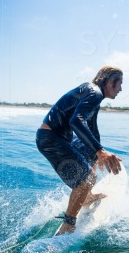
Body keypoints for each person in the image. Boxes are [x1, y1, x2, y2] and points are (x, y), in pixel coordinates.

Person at [36, 66, 123, 235]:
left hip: (55, 137)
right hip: (51, 139)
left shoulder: (92, 92)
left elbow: (91, 128)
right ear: (110, 82)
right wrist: (100, 150)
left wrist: (98, 152)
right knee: (88, 177)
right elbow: (76, 121)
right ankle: (68, 224)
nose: (121, 89)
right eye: (119, 83)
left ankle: (87, 195)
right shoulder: (95, 93)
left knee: (90, 151)